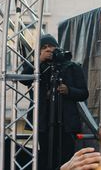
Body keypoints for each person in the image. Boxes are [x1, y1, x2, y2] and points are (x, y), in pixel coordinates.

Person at [20, 34, 89, 170]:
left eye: (51, 46)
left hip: (66, 123)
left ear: (57, 48)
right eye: (44, 47)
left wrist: (69, 90)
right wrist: (39, 61)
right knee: (45, 158)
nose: (48, 49)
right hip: (44, 123)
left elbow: (84, 93)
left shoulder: (72, 67)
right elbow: (23, 79)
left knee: (66, 158)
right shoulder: (37, 67)